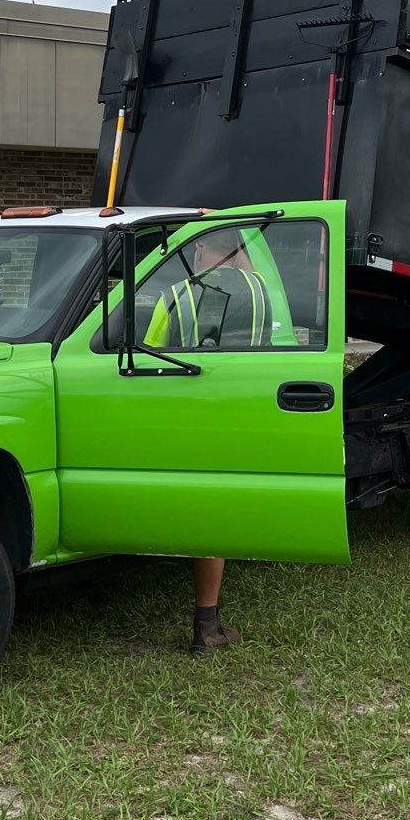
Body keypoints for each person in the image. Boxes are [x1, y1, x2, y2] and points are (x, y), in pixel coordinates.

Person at [144, 227, 272, 655]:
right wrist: (235, 241)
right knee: (216, 518)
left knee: (198, 514)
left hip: (186, 418)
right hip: (239, 416)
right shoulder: (260, 292)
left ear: (199, 250)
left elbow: (148, 354)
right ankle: (207, 625)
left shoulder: (174, 297)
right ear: (238, 253)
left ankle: (206, 625)